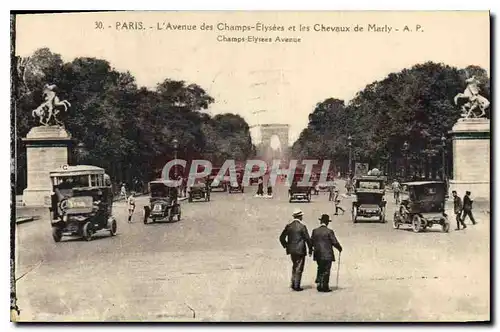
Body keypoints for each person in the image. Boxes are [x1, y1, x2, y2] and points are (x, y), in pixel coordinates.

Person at [279, 209, 313, 291]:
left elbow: (281, 237)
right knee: (299, 267)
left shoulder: (289, 226)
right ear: (300, 216)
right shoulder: (302, 227)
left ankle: (293, 282)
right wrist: (310, 249)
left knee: (294, 265)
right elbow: (307, 239)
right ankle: (296, 285)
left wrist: (286, 245)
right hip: (300, 249)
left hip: (291, 250)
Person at [311, 214, 343, 292]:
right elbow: (334, 242)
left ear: (321, 221)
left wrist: (311, 249)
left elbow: (311, 241)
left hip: (318, 254)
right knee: (326, 270)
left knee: (320, 268)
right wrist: (339, 248)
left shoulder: (315, 231)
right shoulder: (329, 231)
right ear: (327, 222)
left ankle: (319, 284)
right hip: (327, 254)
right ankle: (324, 286)